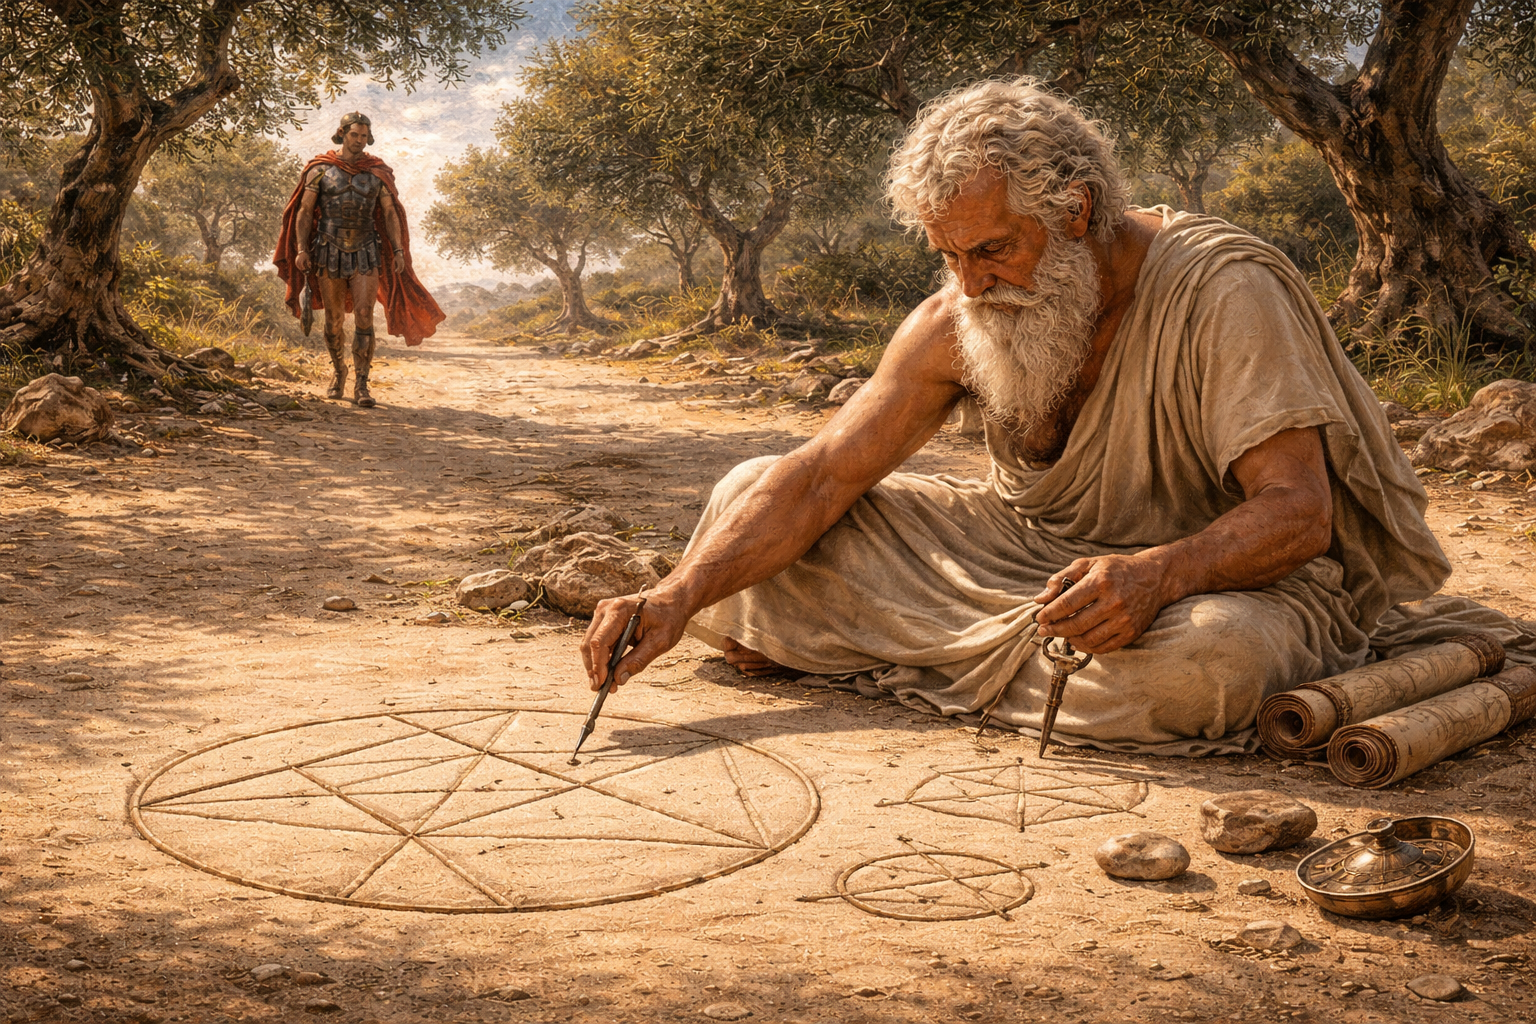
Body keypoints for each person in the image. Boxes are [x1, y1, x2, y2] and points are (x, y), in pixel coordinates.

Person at [581, 79, 1528, 755]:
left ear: (1076, 208)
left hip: (1214, 581)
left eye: (993, 251)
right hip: (1025, 564)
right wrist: (674, 594)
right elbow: (830, 471)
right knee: (747, 496)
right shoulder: (961, 308)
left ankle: (878, 653)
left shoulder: (1224, 290)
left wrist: (1158, 573)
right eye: (949, 256)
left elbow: (1299, 515)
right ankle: (977, 663)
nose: (969, 285)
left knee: (1209, 663)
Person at [273, 112, 444, 407]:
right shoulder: (320, 170)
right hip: (327, 249)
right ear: (342, 133)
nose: (360, 141)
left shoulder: (376, 172)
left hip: (367, 248)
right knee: (333, 321)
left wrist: (399, 250)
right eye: (355, 135)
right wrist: (302, 249)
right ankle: (339, 371)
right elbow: (303, 212)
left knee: (365, 315)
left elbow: (390, 214)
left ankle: (362, 384)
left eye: (365, 136)